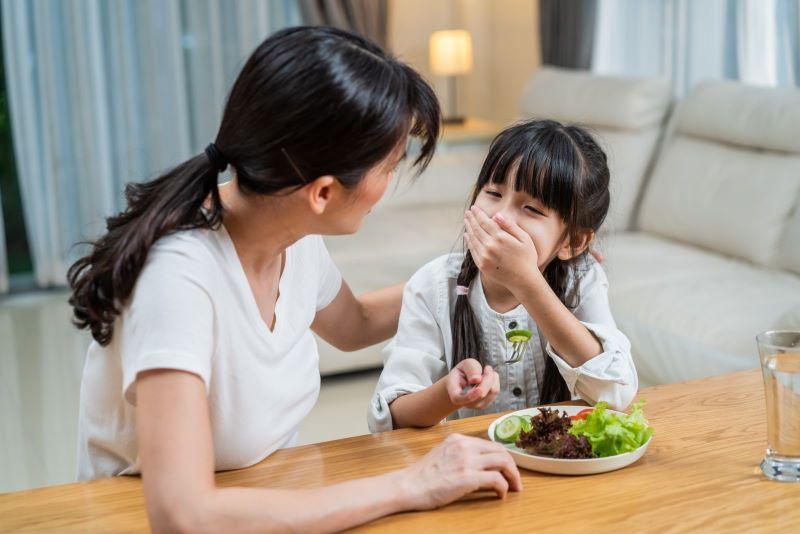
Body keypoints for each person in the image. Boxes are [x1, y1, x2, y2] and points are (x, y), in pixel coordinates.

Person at [69, 27, 521, 532]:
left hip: (265, 492)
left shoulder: (291, 234)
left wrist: (469, 274)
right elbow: (183, 514)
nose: (388, 184)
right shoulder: (177, 278)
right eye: (389, 166)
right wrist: (410, 485)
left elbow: (355, 325)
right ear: (323, 193)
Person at [368, 119, 638, 432]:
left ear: (573, 242)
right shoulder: (433, 285)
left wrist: (527, 282)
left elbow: (616, 391)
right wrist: (447, 394)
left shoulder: (582, 279)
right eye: (493, 193)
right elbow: (389, 419)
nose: (501, 216)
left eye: (532, 209)